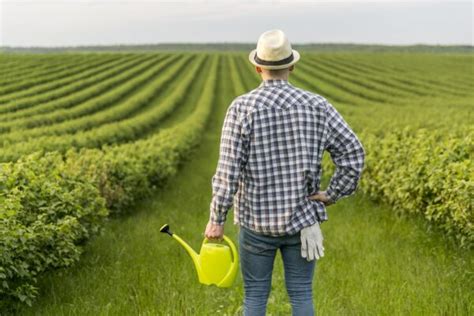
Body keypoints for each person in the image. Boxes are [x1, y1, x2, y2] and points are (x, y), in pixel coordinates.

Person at [204, 29, 365, 316]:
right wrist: (332, 194)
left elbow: (227, 171)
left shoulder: (242, 108)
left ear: (257, 67)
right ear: (292, 66)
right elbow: (353, 153)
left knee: (255, 296)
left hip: (256, 223)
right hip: (302, 219)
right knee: (302, 294)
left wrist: (216, 220)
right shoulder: (318, 106)